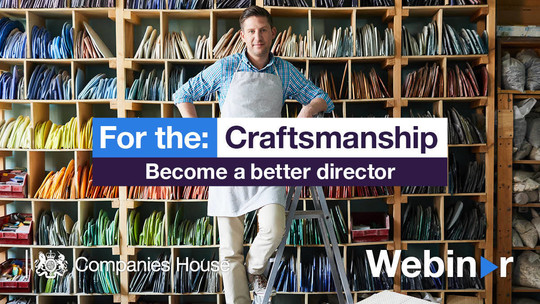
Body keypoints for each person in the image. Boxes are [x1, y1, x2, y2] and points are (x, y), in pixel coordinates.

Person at [173, 5, 334, 304]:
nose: (257, 37)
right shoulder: (226, 67)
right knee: (229, 249)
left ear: (273, 33)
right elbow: (183, 95)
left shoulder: (284, 69)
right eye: (251, 31)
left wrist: (309, 109)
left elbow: (323, 98)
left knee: (275, 228)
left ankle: (254, 268)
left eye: (263, 30)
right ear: (243, 36)